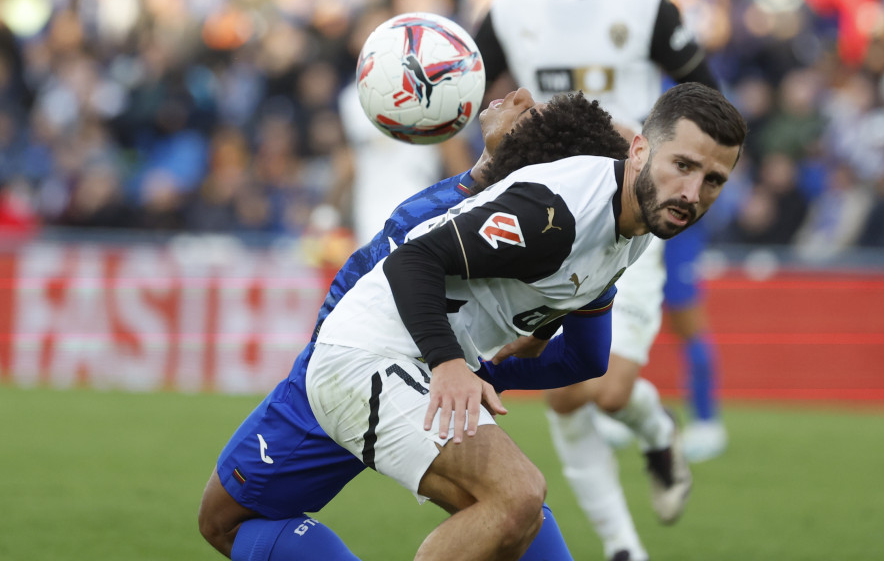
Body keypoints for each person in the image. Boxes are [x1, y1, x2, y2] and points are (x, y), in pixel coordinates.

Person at [198, 87, 642, 561]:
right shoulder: (585, 241)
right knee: (507, 508)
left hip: (360, 363)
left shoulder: (478, 212)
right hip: (411, 369)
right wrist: (489, 372)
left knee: (227, 521)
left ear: (536, 151)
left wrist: (465, 367)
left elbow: (389, 272)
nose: (520, 94)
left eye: (532, 111)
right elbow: (588, 355)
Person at [306, 82, 744, 560]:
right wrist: (449, 364)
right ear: (639, 151)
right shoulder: (558, 212)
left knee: (522, 517)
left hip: (411, 358)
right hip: (369, 355)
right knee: (516, 496)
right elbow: (413, 260)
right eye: (682, 166)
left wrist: (534, 335)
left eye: (713, 180)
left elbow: (586, 356)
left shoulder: (640, 218)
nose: (692, 192)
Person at [474, 0, 729, 557]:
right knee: (566, 393)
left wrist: (660, 157)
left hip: (631, 215)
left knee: (609, 392)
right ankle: (623, 549)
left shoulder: (644, 1)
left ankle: (657, 427)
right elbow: (466, 90)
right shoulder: (509, 8)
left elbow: (705, 95)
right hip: (550, 220)